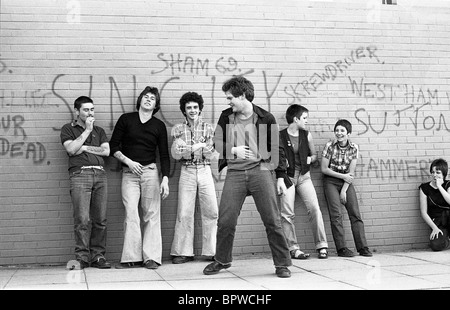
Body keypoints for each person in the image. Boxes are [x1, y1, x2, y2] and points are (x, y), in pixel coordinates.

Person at [203, 76, 292, 278]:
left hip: (260, 172)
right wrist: (233, 149)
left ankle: (282, 264)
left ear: (242, 95)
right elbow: (216, 143)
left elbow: (277, 149)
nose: (228, 102)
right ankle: (222, 260)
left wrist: (280, 176)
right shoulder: (226, 116)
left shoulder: (265, 117)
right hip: (235, 173)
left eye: (230, 98)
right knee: (225, 220)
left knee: (272, 220)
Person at [109, 86, 170, 269]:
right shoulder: (126, 119)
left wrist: (165, 179)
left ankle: (151, 257)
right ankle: (131, 258)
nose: (148, 99)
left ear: (156, 104)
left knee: (152, 214)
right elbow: (112, 146)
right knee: (131, 214)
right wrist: (129, 162)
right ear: (140, 100)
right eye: (145, 96)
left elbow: (164, 155)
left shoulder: (159, 126)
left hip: (150, 172)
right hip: (129, 173)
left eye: (152, 98)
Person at [60, 96, 111, 269]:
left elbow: (106, 151)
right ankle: (82, 257)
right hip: (80, 175)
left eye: (92, 109)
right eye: (86, 110)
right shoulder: (68, 129)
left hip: (100, 175)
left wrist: (84, 147)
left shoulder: (100, 130)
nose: (90, 113)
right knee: (82, 219)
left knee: (100, 219)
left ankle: (98, 256)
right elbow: (71, 149)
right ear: (77, 112)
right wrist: (87, 131)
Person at [170, 92, 218, 264]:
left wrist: (192, 147)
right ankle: (183, 252)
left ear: (200, 108)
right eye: (188, 107)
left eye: (195, 107)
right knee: (184, 211)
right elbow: (176, 154)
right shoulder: (177, 129)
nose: (192, 110)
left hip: (205, 169)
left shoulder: (209, 128)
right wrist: (199, 145)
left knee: (211, 210)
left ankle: (212, 251)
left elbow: (212, 154)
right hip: (187, 169)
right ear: (184, 110)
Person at [276, 104, 329, 259]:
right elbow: (272, 157)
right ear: (295, 119)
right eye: (304, 118)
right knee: (287, 214)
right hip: (287, 177)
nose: (307, 121)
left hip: (304, 176)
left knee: (314, 209)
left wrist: (309, 159)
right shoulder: (280, 136)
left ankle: (322, 246)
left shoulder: (307, 135)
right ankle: (293, 248)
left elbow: (314, 156)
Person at [320, 119, 372, 257]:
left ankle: (362, 247)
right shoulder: (330, 146)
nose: (339, 133)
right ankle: (341, 248)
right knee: (336, 215)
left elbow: (351, 172)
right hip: (330, 181)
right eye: (337, 130)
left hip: (346, 182)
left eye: (342, 131)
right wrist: (342, 177)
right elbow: (324, 169)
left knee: (355, 213)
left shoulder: (354, 148)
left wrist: (344, 190)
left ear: (348, 133)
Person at [419, 158, 450, 251]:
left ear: (444, 174)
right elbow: (423, 212)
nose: (434, 175)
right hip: (437, 221)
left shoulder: (448, 184)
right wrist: (434, 228)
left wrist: (440, 186)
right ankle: (447, 240)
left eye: (438, 172)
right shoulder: (424, 188)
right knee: (436, 245)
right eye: (432, 172)